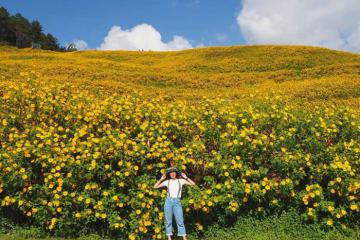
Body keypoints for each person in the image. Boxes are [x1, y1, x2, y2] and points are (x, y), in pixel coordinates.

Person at [153, 167, 196, 240]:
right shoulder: (167, 181)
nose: (172, 173)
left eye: (174, 172)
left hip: (177, 202)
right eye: (171, 172)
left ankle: (184, 238)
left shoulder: (181, 181)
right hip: (168, 202)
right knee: (168, 221)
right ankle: (169, 238)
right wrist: (161, 179)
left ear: (176, 173)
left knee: (180, 220)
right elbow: (155, 186)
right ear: (169, 174)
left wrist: (186, 177)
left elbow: (193, 184)